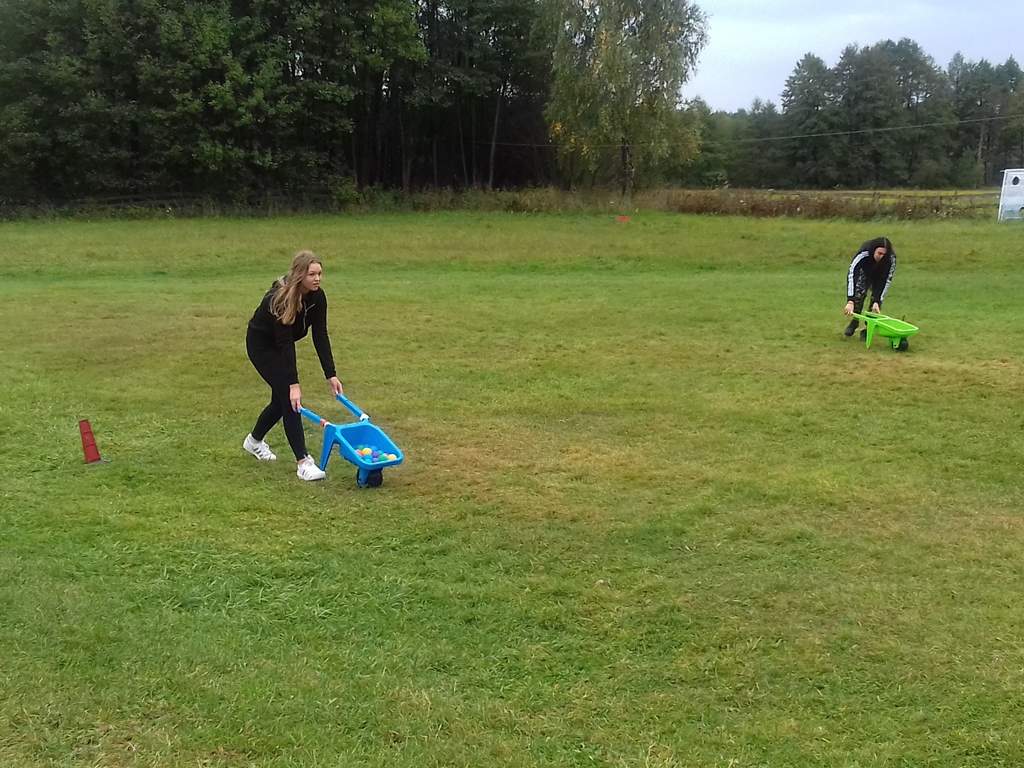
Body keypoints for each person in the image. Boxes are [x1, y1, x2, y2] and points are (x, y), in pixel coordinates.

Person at [243, 250, 344, 481]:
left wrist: (331, 374)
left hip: (279, 346)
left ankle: (254, 441)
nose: (317, 279)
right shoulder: (280, 299)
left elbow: (320, 335)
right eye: (312, 274)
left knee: (281, 401)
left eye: (320, 273)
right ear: (300, 275)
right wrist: (293, 384)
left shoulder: (317, 297)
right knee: (290, 400)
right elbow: (285, 343)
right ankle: (303, 463)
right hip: (261, 346)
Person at [844, 237, 897, 338]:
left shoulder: (891, 259)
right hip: (864, 271)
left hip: (880, 275)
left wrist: (877, 300)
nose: (882, 257)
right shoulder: (864, 253)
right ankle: (855, 321)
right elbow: (852, 273)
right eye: (879, 253)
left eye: (884, 255)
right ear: (874, 251)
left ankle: (866, 328)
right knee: (859, 295)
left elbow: (887, 280)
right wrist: (850, 300)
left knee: (875, 306)